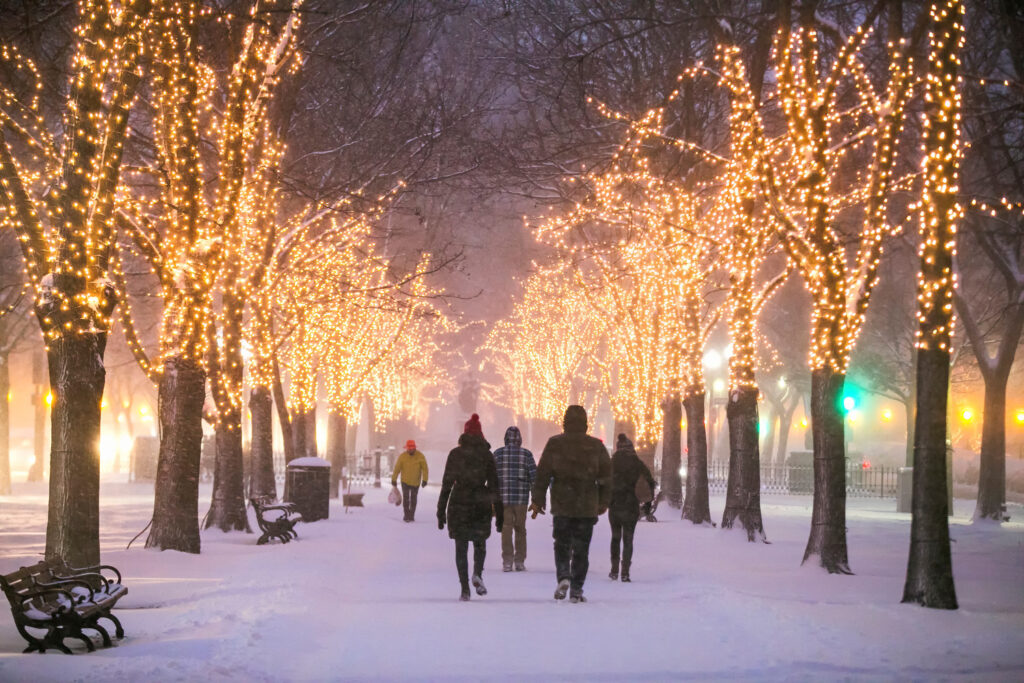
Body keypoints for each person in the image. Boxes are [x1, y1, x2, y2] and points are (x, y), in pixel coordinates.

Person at [529, 405, 611, 603]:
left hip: (562, 503)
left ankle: (564, 575)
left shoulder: (555, 444)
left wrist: (538, 500)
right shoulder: (596, 446)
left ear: (565, 423)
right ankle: (576, 588)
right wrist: (603, 501)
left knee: (562, 544)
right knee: (582, 548)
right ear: (585, 424)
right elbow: (607, 477)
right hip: (586, 505)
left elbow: (542, 474)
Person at [437, 414, 504, 601]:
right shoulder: (487, 456)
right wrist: (500, 514)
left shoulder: (455, 454)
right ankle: (477, 573)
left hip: (459, 502)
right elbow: (494, 486)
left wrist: (441, 511)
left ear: (464, 434)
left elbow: (447, 485)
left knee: (461, 546)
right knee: (479, 542)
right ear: (481, 434)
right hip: (480, 502)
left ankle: (465, 588)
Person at [608, 433, 656, 582]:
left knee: (615, 537)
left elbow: (602, 481)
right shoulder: (637, 463)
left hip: (615, 505)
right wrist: (647, 504)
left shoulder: (612, 463)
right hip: (631, 506)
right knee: (628, 539)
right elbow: (650, 482)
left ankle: (614, 569)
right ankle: (625, 572)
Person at [493, 426, 537, 572]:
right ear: (519, 439)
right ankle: (519, 561)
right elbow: (534, 478)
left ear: (505, 439)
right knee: (520, 529)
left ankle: (507, 561)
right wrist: (536, 499)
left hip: (503, 498)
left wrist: (492, 499)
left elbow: (492, 478)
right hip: (521, 499)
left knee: (506, 529)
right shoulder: (526, 455)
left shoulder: (497, 454)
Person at [391, 439, 428, 522]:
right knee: (406, 499)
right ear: (407, 448)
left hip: (416, 482)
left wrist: (425, 480)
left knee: (413, 499)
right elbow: (397, 468)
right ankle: (406, 515)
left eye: (412, 448)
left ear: (415, 448)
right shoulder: (402, 457)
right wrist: (394, 479)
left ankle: (411, 515)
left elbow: (425, 469)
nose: (411, 450)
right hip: (405, 481)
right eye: (409, 448)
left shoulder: (420, 456)